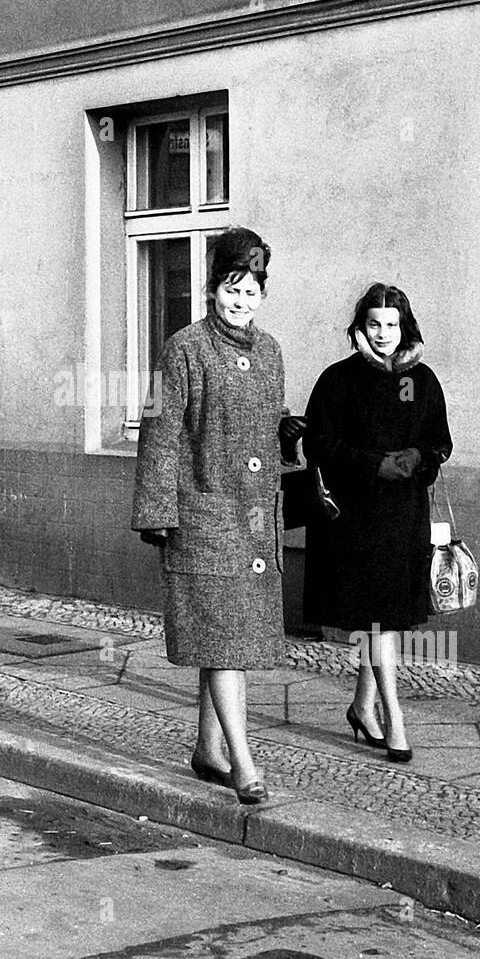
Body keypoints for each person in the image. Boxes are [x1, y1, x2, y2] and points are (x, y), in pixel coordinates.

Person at [131, 227, 290, 806]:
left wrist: (288, 429)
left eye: (252, 290)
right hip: (204, 518)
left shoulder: (270, 350)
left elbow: (268, 418)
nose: (241, 300)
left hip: (253, 523)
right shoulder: (184, 348)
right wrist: (157, 510)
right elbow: (161, 431)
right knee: (224, 642)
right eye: (231, 287)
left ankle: (207, 748)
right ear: (212, 288)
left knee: (226, 642)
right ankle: (243, 763)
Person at [302, 283, 453, 763]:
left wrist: (417, 458)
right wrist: (374, 465)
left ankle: (361, 706)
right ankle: (395, 719)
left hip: (405, 517)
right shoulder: (339, 379)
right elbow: (319, 444)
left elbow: (440, 442)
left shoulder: (422, 380)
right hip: (356, 519)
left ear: (404, 326)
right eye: (374, 324)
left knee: (381, 619)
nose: (384, 334)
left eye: (392, 324)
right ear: (360, 327)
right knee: (380, 621)